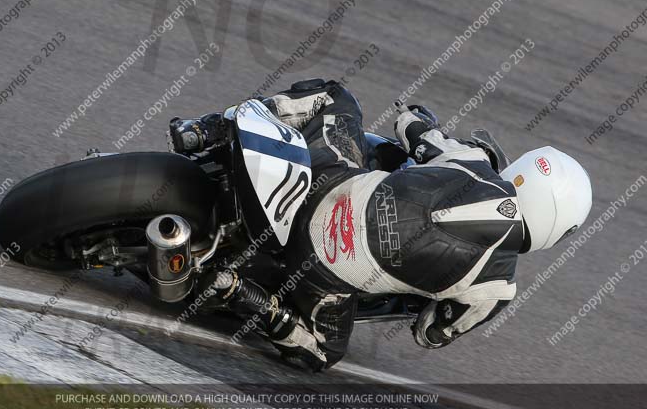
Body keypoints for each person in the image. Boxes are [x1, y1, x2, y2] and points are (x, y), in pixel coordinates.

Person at [173, 78, 593, 371]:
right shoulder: (495, 291)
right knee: (320, 354)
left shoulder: (474, 162)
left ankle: (206, 129)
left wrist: (420, 115)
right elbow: (430, 334)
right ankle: (240, 293)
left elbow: (410, 127)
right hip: (322, 270)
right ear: (557, 231)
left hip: (325, 183)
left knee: (335, 96)